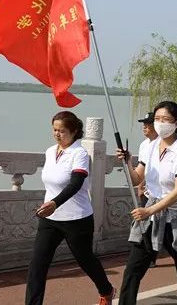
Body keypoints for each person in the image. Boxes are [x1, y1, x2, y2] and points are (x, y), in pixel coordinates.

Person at [116, 101, 177, 305]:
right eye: (157, 119)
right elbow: (136, 179)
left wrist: (149, 210)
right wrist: (127, 162)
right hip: (152, 215)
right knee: (133, 269)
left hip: (176, 216)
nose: (160, 123)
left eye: (165, 119)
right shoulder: (149, 146)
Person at [26, 111, 115, 305]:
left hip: (76, 219)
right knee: (37, 264)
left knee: (85, 260)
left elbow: (75, 184)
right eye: (54, 130)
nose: (57, 134)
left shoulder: (79, 153)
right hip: (50, 219)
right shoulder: (50, 151)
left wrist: (54, 203)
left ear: (74, 131)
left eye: (62, 131)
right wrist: (50, 206)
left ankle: (106, 290)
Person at [136, 112, 157, 206]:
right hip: (146, 191)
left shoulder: (162, 144)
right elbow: (141, 168)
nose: (144, 127)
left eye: (148, 124)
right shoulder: (143, 145)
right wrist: (140, 187)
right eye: (144, 124)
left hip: (158, 193)